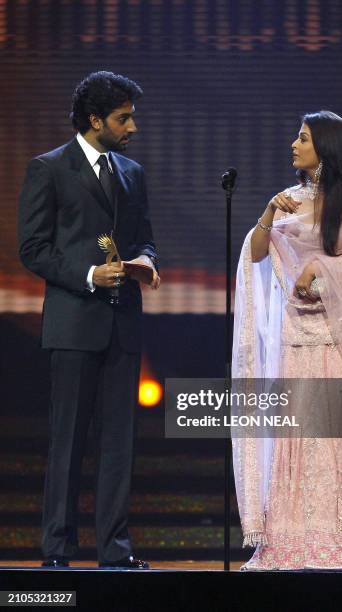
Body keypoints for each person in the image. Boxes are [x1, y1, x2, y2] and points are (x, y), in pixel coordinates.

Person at [232, 110, 342, 570]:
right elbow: (258, 253)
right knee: (295, 440)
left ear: (325, 149)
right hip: (295, 341)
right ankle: (289, 540)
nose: (292, 144)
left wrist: (319, 270)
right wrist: (267, 212)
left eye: (302, 138)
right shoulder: (286, 200)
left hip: (337, 344)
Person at [18, 71, 160, 569]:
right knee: (69, 441)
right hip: (74, 324)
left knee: (119, 442)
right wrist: (87, 274)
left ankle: (115, 551)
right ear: (95, 119)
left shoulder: (132, 173)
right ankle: (57, 551)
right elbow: (32, 249)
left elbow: (144, 236)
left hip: (123, 324)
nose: (133, 128)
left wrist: (146, 261)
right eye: (124, 118)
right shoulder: (49, 169)